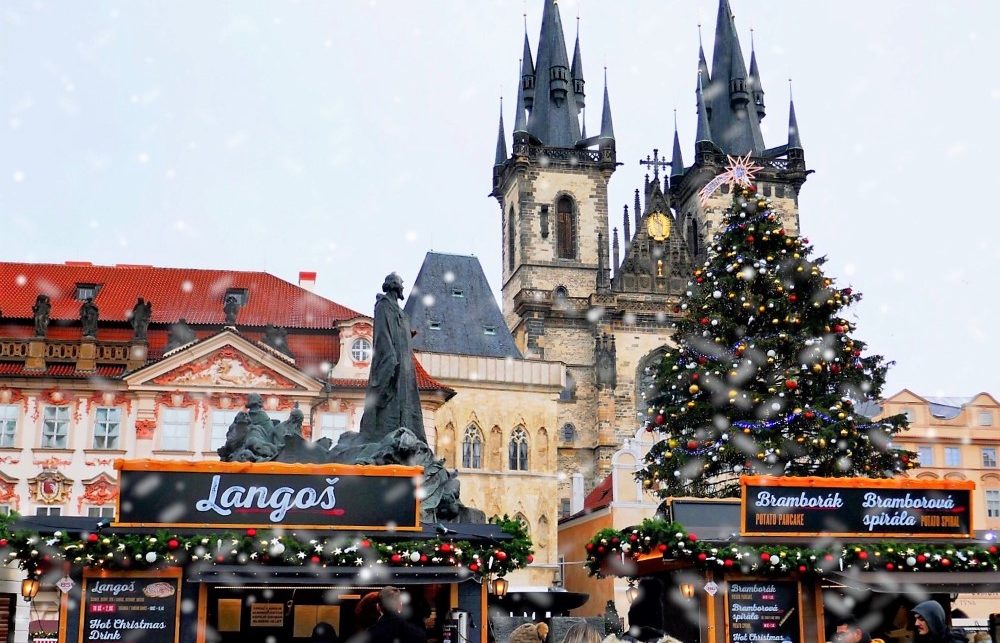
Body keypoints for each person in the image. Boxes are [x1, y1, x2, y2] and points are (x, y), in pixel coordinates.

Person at [359, 273, 427, 444]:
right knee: (389, 404)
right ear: (395, 285)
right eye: (401, 284)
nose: (403, 287)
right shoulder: (383, 306)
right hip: (392, 360)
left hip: (405, 366)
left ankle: (406, 437)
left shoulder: (402, 314)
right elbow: (382, 335)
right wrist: (389, 360)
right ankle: (384, 439)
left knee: (405, 404)